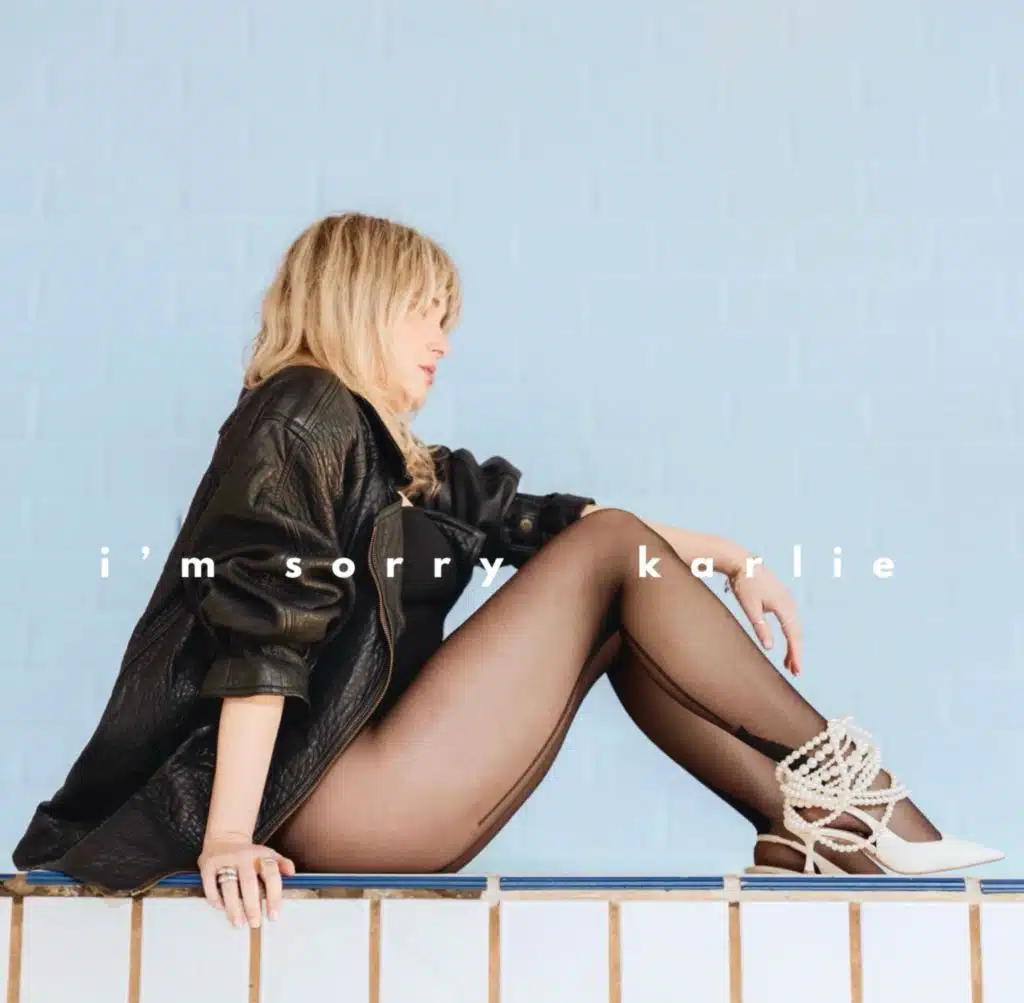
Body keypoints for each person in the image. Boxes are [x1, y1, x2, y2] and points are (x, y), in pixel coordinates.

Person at [13, 212, 1002, 929]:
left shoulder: (394, 461)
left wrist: (735, 557)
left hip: (366, 791)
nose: (444, 340)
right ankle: (866, 804)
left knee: (617, 587)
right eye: (425, 312)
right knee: (613, 557)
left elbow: (551, 523)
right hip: (316, 799)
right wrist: (228, 834)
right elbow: (263, 626)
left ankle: (811, 828)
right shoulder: (301, 411)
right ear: (361, 304)